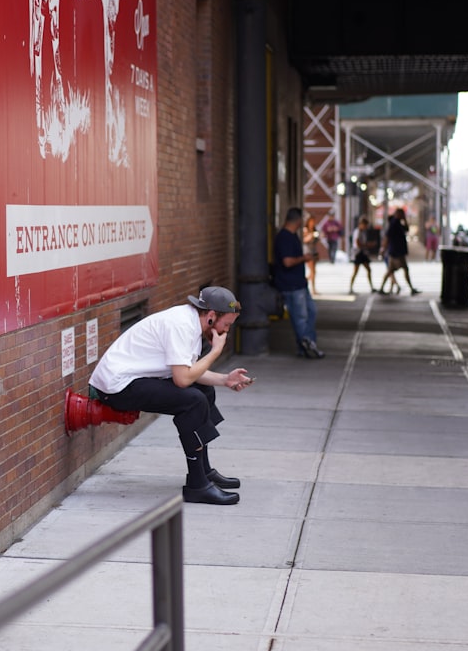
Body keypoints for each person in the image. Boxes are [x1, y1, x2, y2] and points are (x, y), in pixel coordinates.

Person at [88, 286, 255, 505]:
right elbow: (183, 379)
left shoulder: (192, 323)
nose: (226, 332)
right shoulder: (181, 325)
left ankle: (203, 471)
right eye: (226, 325)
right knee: (193, 401)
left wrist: (225, 379)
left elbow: (190, 371)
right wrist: (215, 352)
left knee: (204, 391)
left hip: (133, 378)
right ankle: (197, 486)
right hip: (117, 387)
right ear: (212, 316)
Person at [273, 207, 324, 358]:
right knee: (300, 316)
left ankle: (307, 343)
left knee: (311, 312)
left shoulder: (293, 236)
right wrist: (305, 258)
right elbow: (287, 262)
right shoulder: (285, 237)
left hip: (299, 283)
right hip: (291, 285)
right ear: (298, 220)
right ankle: (306, 345)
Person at [379, 207, 421, 295]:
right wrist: (383, 248)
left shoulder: (397, 222)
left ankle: (382, 288)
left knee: (391, 270)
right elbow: (387, 236)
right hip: (396, 251)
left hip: (397, 251)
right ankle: (411, 288)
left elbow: (406, 229)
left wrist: (405, 220)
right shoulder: (394, 223)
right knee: (403, 269)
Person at [348, 216, 377, 294]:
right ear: (361, 224)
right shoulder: (357, 232)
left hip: (362, 253)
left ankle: (371, 287)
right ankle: (350, 288)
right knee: (356, 271)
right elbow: (358, 244)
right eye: (365, 225)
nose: (366, 227)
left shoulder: (362, 232)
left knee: (368, 269)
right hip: (358, 253)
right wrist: (367, 245)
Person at [303, 215, 321, 295]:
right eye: (311, 221)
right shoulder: (305, 230)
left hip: (313, 251)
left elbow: (316, 241)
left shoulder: (314, 230)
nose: (313, 223)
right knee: (312, 271)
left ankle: (313, 288)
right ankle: (305, 282)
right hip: (308, 252)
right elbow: (304, 240)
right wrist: (311, 236)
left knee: (314, 271)